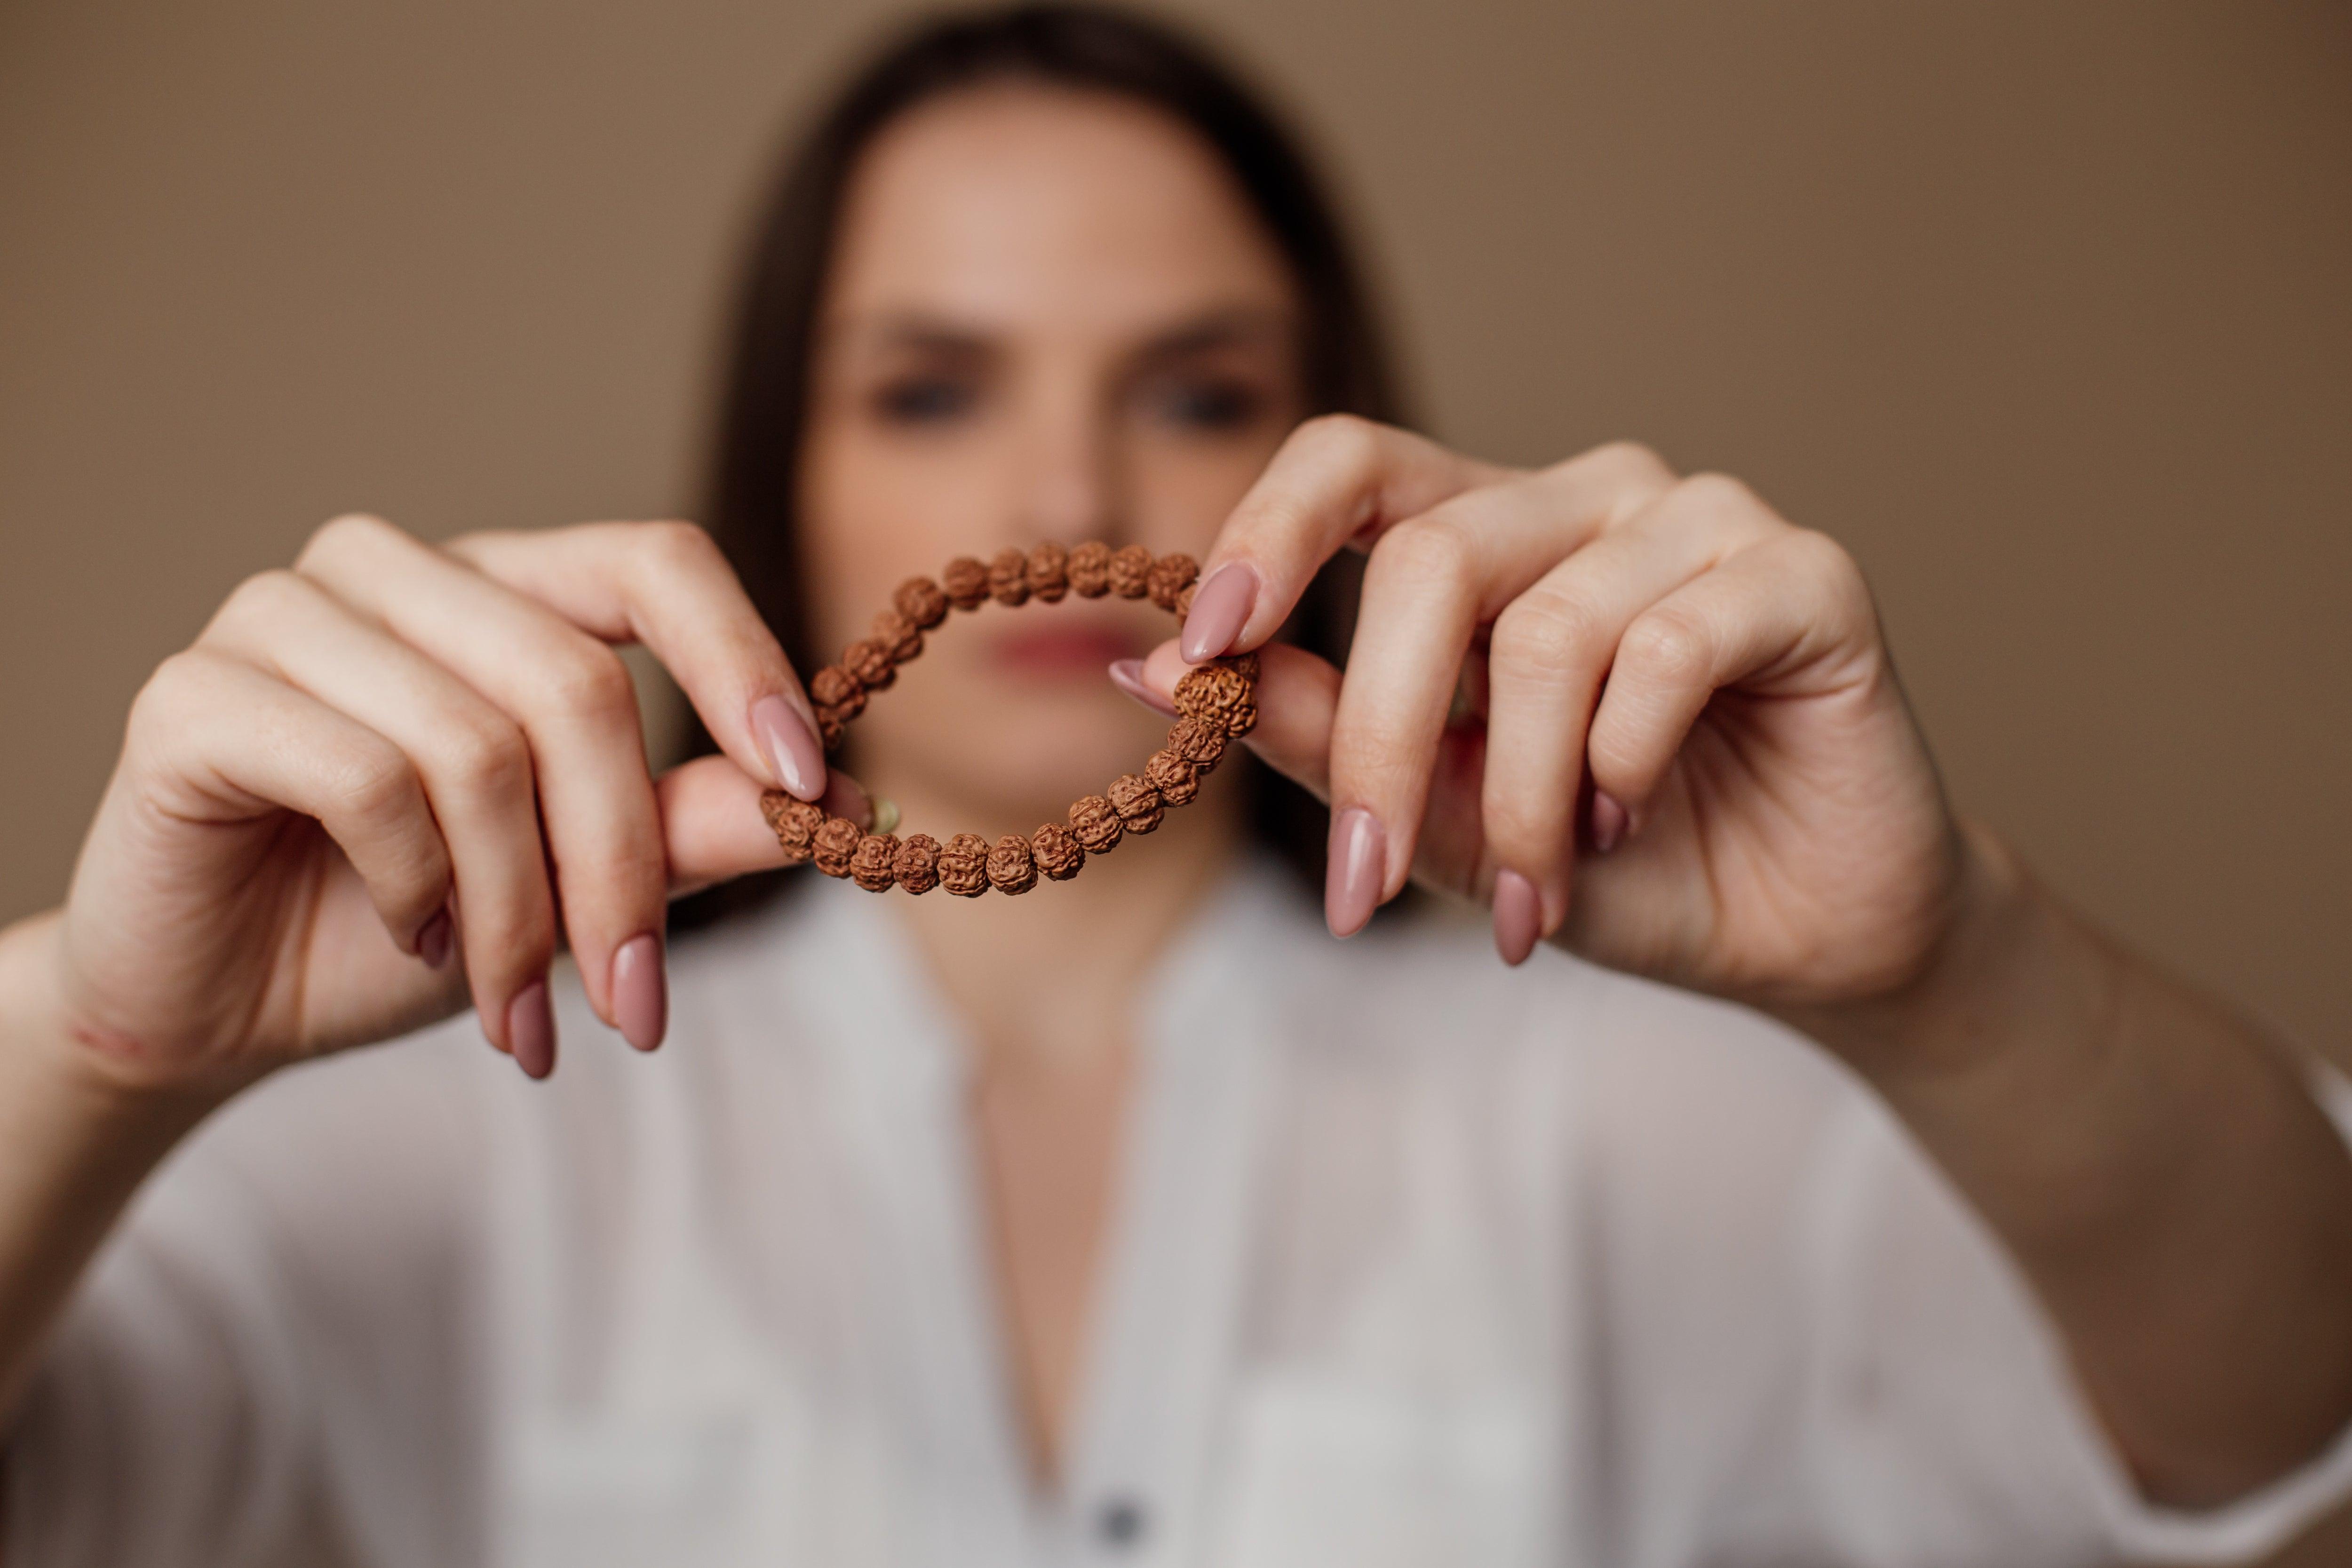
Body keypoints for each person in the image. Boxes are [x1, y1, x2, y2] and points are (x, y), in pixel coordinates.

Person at [2, 5, 2349, 1563]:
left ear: (1322, 463)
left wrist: (1950, 973)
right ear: (776, 473)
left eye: (1195, 384)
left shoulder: (1631, 1107)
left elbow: (2278, 1401)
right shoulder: (442, 1129)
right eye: (929, 389)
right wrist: (93, 1044)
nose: (1059, 479)